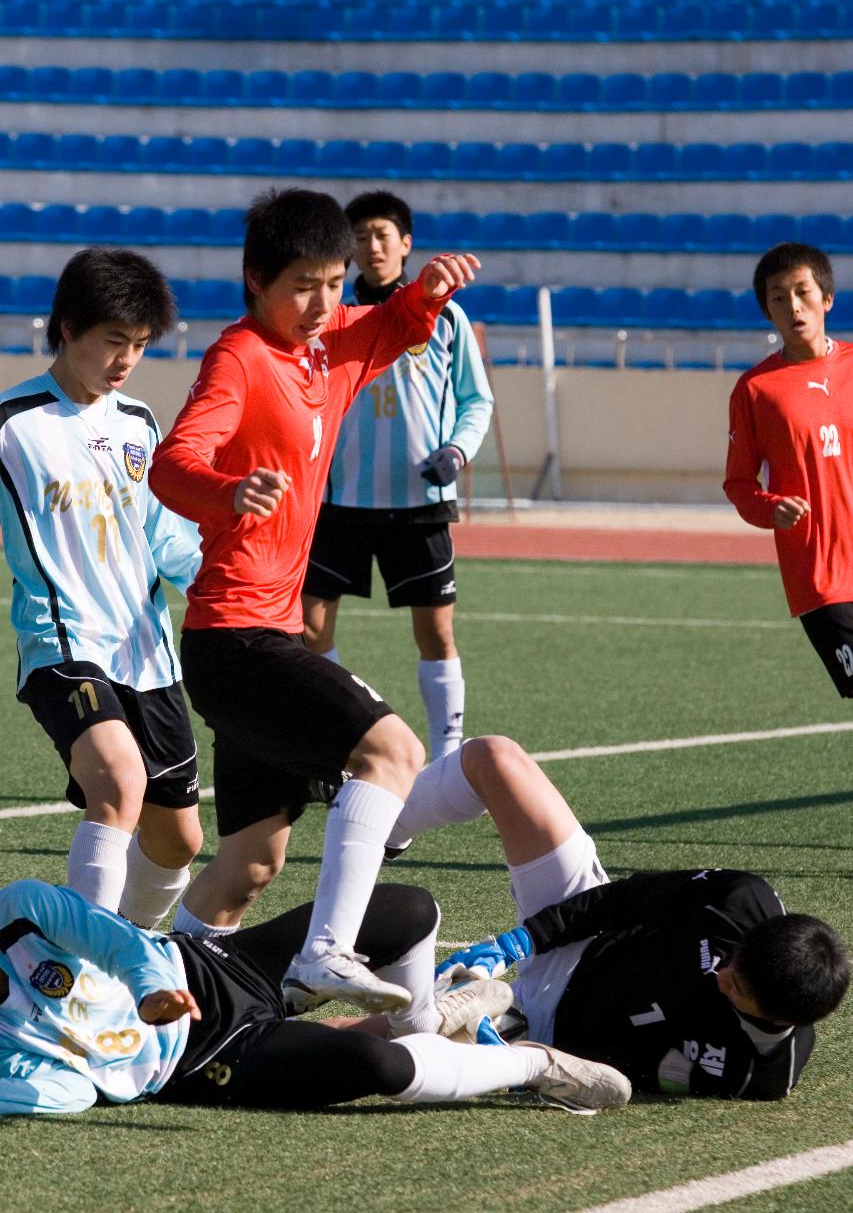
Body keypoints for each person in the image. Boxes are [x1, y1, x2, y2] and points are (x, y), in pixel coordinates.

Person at [148, 187, 481, 1014]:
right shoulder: (240, 359)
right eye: (303, 283)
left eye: (333, 282)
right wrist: (231, 492)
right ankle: (323, 954)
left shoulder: (326, 344)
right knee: (393, 754)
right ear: (256, 279)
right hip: (235, 639)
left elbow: (394, 325)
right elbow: (172, 463)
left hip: (265, 637)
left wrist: (428, 290)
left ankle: (153, 987)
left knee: (250, 865)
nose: (321, 301)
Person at [390, 736, 850, 1099]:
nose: (722, 972)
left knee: (407, 1038)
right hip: (585, 943)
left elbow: (627, 1071)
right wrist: (521, 942)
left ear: (774, 1015)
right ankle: (380, 832)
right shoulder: (742, 902)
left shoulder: (758, 1074)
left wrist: (518, 1051)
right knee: (496, 757)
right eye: (733, 958)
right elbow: (623, 900)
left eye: (740, 985)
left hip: (553, 1034)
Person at [0, 876, 631, 1116]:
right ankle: (533, 1065)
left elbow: (119, 944)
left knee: (408, 910)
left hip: (209, 968)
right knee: (376, 1067)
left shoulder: (18, 908)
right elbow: (74, 1091)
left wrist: (154, 992)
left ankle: (432, 1014)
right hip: (201, 1063)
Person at [0, 248, 203, 927]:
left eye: (140, 345)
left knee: (179, 840)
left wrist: (217, 581)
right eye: (113, 340)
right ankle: (80, 982)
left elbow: (164, 534)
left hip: (147, 651)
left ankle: (125, 956)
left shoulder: (138, 423)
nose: (126, 359)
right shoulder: (13, 425)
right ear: (66, 328)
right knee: (118, 780)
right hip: (61, 644)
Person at [302, 191, 494, 763]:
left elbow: (475, 401)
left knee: (435, 634)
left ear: (407, 244)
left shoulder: (447, 317)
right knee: (310, 631)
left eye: (383, 234)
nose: (372, 246)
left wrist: (457, 452)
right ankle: (345, 739)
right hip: (340, 500)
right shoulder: (333, 319)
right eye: (360, 237)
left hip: (420, 503)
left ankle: (447, 757)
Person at [724, 241, 853, 696]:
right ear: (767, 311)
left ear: (827, 298)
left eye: (803, 292)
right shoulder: (755, 390)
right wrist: (769, 507)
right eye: (779, 297)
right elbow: (739, 484)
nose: (794, 306)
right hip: (821, 576)